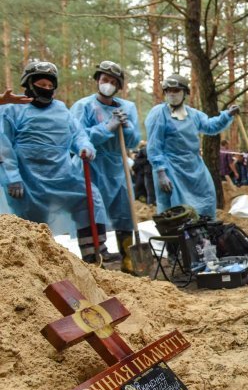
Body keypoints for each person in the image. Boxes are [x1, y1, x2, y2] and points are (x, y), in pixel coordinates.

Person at [0, 61, 108, 261]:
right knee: (32, 226)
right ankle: (33, 265)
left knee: (89, 196)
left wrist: (86, 147)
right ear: (29, 83)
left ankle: (95, 253)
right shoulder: (12, 109)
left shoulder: (61, 109)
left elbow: (78, 134)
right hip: (28, 179)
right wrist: (12, 176)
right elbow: (3, 144)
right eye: (42, 85)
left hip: (61, 174)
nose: (47, 89)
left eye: (51, 86)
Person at [70, 60, 142, 271]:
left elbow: (133, 141)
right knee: (91, 210)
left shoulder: (127, 107)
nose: (107, 84)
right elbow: (76, 138)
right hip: (89, 166)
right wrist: (106, 127)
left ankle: (128, 259)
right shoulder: (83, 106)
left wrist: (127, 127)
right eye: (104, 80)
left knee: (125, 212)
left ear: (118, 86)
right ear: (97, 81)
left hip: (116, 167)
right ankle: (93, 259)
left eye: (112, 81)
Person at [146, 74, 239, 218]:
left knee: (206, 199)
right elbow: (154, 145)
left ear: (184, 93)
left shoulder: (194, 115)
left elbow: (210, 126)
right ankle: (177, 240)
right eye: (168, 90)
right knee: (176, 210)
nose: (172, 93)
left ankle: (203, 238)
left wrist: (227, 115)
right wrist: (161, 172)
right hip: (171, 168)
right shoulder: (159, 114)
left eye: (176, 90)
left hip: (194, 167)